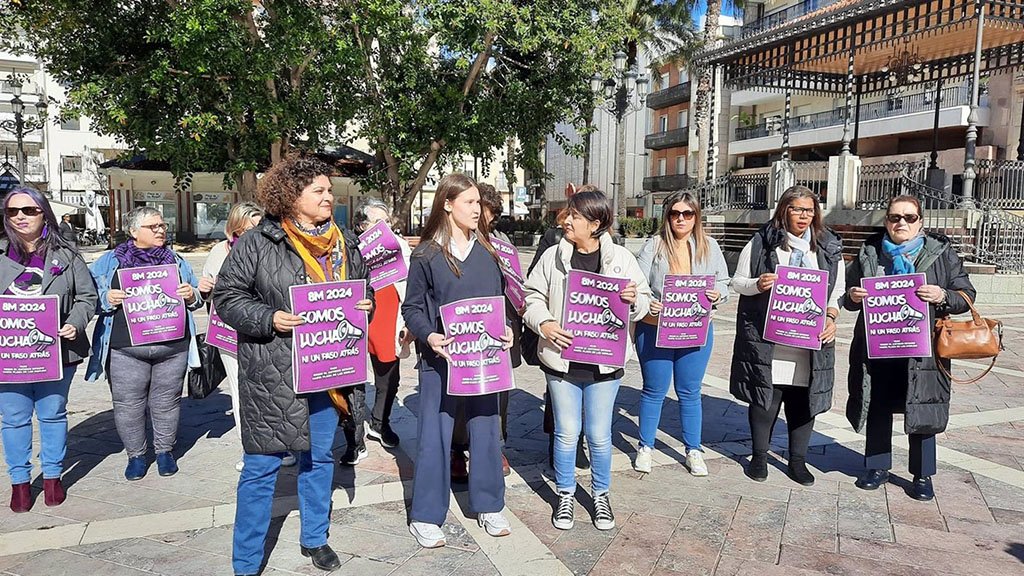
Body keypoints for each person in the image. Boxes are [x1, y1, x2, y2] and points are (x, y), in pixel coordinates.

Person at [214, 152, 374, 574]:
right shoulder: (257, 243)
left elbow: (364, 294)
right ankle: (246, 561)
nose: (329, 196)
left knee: (319, 458)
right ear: (291, 195)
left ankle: (315, 538)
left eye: (329, 189)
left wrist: (365, 305)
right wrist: (268, 318)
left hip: (327, 371)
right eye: (318, 190)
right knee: (261, 467)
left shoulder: (346, 245)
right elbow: (227, 297)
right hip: (273, 373)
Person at [523, 188, 651, 531]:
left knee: (598, 434)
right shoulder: (553, 256)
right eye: (568, 214)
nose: (566, 220)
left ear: (595, 223)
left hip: (604, 364)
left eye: (575, 216)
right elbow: (531, 296)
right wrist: (545, 324)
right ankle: (565, 494)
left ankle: (600, 494)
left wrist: (633, 299)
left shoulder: (622, 259)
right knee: (566, 433)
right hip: (561, 361)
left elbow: (644, 302)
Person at [402, 173, 514, 548]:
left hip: (484, 360)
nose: (477, 210)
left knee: (486, 429)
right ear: (447, 205)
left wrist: (508, 329)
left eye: (479, 203)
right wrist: (429, 335)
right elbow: (412, 307)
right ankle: (426, 515)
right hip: (440, 362)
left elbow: (501, 304)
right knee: (434, 437)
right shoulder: (427, 255)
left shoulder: (489, 253)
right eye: (469, 202)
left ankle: (489, 504)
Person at [844, 195, 975, 501]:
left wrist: (942, 294)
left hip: (923, 350)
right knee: (877, 404)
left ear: (921, 222)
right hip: (879, 346)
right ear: (886, 221)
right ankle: (877, 467)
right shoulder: (870, 251)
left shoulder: (940, 252)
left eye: (909, 217)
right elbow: (849, 297)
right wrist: (853, 296)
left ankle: (922, 474)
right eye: (894, 217)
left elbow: (966, 294)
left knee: (924, 406)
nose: (900, 222)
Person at [729, 185, 843, 486]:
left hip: (810, 343)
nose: (804, 216)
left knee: (803, 401)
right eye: (797, 209)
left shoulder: (827, 246)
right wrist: (758, 283)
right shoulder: (763, 242)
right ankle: (759, 457)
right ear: (784, 210)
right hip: (770, 339)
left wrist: (831, 317)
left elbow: (837, 291)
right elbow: (737, 282)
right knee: (766, 399)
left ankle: (798, 461)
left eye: (809, 210)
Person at [87, 207, 203, 481]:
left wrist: (191, 295)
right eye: (153, 226)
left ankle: (165, 452)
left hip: (172, 346)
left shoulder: (176, 260)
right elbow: (85, 297)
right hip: (125, 348)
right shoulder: (108, 262)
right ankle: (136, 456)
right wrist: (106, 298)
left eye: (163, 225)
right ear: (133, 232)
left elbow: (198, 295)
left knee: (167, 402)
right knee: (128, 404)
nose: (161, 230)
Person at [0, 187, 97, 512]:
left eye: (28, 210)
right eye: (13, 211)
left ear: (44, 214)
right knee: (13, 419)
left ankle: (53, 476)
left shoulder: (66, 256)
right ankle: (20, 483)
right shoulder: (0, 254)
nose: (20, 217)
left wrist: (75, 322)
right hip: (10, 355)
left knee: (53, 414)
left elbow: (87, 297)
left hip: (56, 353)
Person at [634, 191, 729, 476]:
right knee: (654, 390)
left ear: (696, 217)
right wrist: (648, 301)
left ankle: (693, 449)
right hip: (655, 328)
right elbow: (637, 283)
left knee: (690, 392)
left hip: (695, 329)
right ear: (667, 216)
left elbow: (724, 282)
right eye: (675, 213)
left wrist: (718, 294)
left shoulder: (709, 246)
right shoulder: (653, 246)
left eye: (687, 214)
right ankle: (646, 446)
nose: (681, 219)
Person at [197, 201, 289, 473]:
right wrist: (204, 289)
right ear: (234, 230)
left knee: (274, 387)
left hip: (266, 330)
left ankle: (281, 445)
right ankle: (249, 449)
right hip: (230, 334)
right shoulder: (219, 252)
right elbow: (211, 292)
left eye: (259, 227)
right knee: (241, 392)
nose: (256, 233)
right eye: (248, 229)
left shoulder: (273, 247)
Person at [448, 183, 517, 480]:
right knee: (462, 396)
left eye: (485, 210)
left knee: (500, 393)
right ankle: (457, 448)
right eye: (474, 206)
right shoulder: (451, 244)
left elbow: (516, 288)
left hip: (499, 329)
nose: (480, 215)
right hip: (464, 331)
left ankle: (494, 445)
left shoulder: (503, 246)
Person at [351, 197, 412, 453]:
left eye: (387, 223)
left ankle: (380, 422)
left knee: (388, 373)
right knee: (349, 376)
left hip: (388, 313)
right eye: (378, 223)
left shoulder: (399, 246)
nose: (384, 228)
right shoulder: (349, 247)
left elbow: (410, 280)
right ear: (363, 225)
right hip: (355, 313)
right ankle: (352, 434)